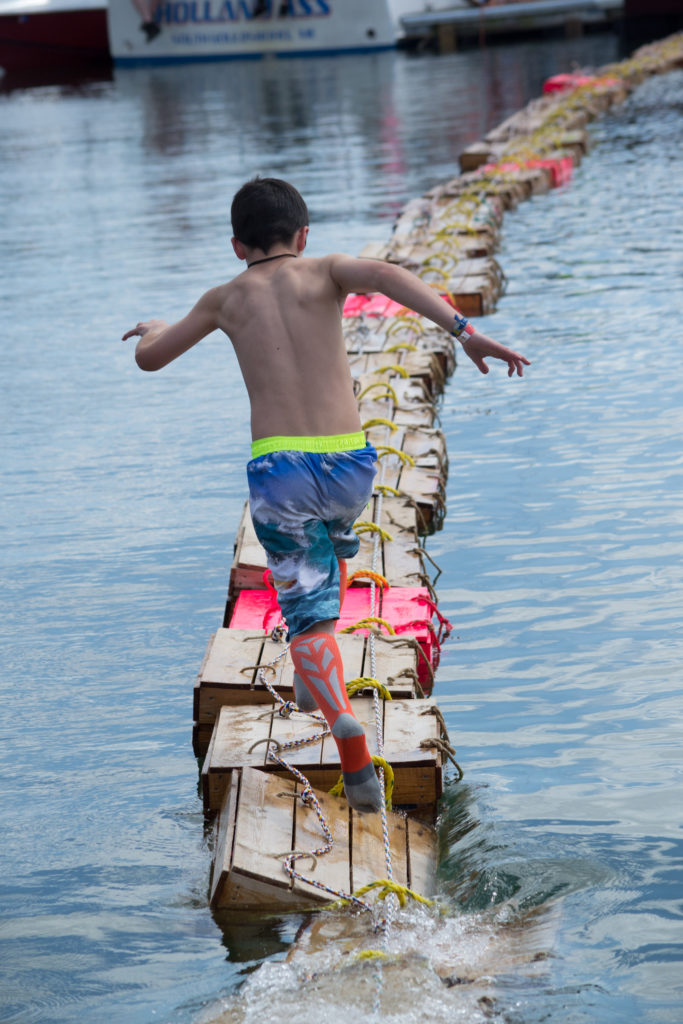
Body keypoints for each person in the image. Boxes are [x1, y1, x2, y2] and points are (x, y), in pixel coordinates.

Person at [123, 177, 530, 813]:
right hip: (349, 464)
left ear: (237, 246)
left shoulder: (224, 299)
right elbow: (391, 276)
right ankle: (317, 682)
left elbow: (151, 359)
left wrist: (157, 327)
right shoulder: (329, 270)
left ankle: (341, 722)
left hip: (280, 471)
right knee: (330, 550)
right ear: (304, 234)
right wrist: (463, 330)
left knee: (308, 612)